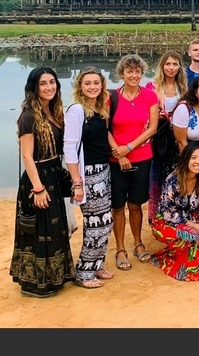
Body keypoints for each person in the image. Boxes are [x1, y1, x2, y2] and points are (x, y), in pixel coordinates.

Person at [10, 66, 76, 298]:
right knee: (40, 230)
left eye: (52, 82)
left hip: (54, 173)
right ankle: (37, 284)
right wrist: (38, 189)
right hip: (37, 177)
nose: (48, 87)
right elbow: (27, 155)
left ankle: (58, 275)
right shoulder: (29, 116)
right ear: (34, 87)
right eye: (43, 83)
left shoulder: (53, 111)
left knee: (56, 228)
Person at [64, 67, 115, 288]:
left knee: (106, 221)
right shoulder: (76, 110)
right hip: (88, 174)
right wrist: (77, 182)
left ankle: (96, 264)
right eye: (88, 83)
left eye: (96, 83)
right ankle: (84, 272)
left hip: (103, 171)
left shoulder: (99, 109)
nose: (93, 87)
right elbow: (69, 147)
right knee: (96, 224)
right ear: (80, 87)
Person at [109, 54, 159, 268]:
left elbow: (152, 128)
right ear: (122, 73)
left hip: (141, 156)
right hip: (115, 159)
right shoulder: (110, 97)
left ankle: (138, 243)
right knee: (118, 206)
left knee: (136, 204)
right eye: (129, 71)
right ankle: (120, 248)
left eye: (137, 71)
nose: (134, 75)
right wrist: (118, 153)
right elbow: (105, 128)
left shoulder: (149, 96)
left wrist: (128, 148)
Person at [150, 143, 199, 281]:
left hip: (189, 219)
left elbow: (196, 207)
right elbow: (168, 213)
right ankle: (182, 270)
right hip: (166, 222)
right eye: (194, 157)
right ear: (186, 159)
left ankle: (195, 267)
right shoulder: (173, 180)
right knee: (194, 238)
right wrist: (193, 225)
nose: (198, 162)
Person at [148, 50, 187, 222]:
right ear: (162, 66)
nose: (171, 68)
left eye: (174, 64)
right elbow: (146, 112)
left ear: (179, 67)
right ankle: (155, 215)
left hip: (178, 136)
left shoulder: (184, 88)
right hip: (160, 136)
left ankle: (174, 210)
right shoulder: (152, 86)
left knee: (175, 174)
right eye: (167, 64)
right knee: (156, 175)